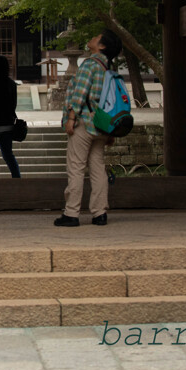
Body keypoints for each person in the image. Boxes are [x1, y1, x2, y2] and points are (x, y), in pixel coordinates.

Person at [55, 29, 122, 227]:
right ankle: (100, 212)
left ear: (102, 46)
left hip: (85, 122)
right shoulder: (109, 69)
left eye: (96, 36)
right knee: (98, 169)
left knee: (76, 167)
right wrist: (111, 130)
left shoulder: (90, 65)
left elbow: (80, 93)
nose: (92, 37)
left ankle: (72, 213)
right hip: (102, 125)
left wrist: (71, 118)